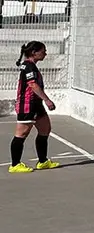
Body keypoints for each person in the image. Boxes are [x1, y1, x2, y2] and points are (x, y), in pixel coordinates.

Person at [10, 41, 57, 173]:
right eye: (43, 51)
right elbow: (33, 85)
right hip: (27, 105)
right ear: (34, 52)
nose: (45, 54)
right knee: (21, 133)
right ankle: (15, 165)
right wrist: (47, 100)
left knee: (45, 129)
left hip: (36, 105)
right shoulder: (28, 66)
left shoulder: (31, 66)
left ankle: (43, 161)